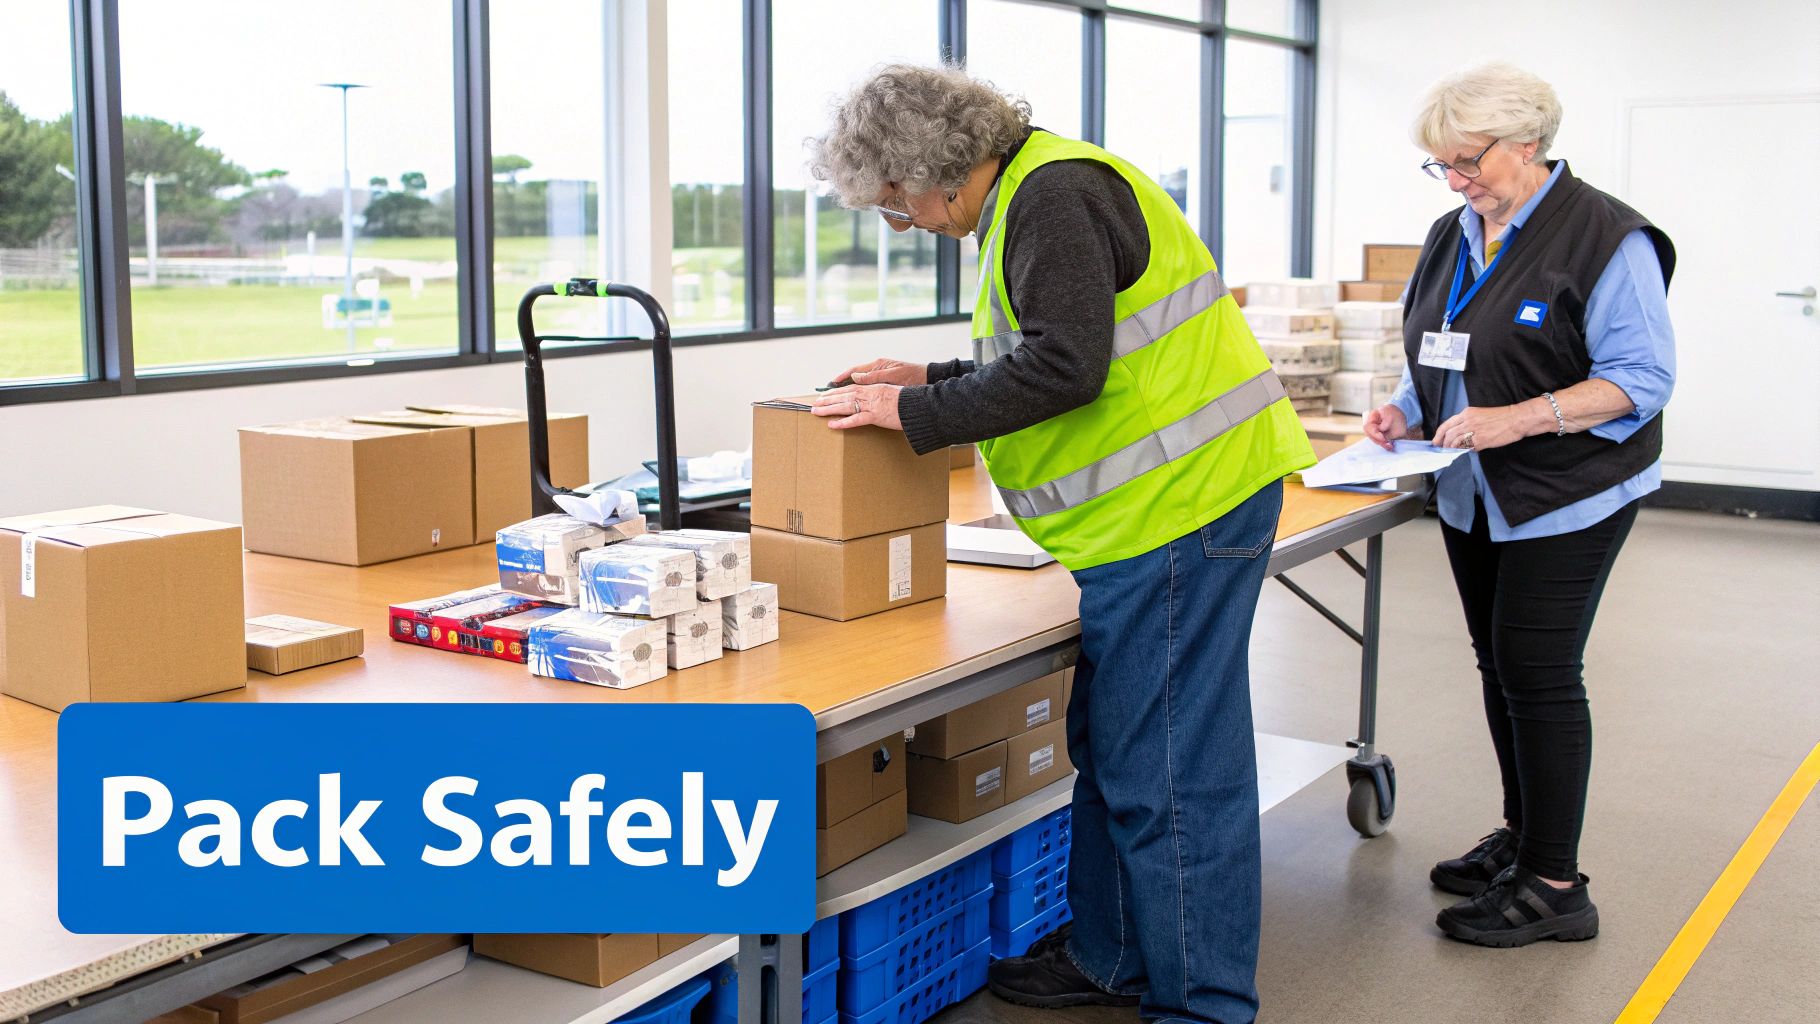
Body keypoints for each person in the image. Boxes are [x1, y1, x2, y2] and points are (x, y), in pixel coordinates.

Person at [804, 63, 1313, 1024]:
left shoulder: (1054, 197)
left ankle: (1205, 1004)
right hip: (1149, 518)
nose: (900, 222)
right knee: (1114, 747)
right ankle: (1111, 955)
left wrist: (912, 407)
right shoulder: (1036, 190)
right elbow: (1074, 341)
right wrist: (937, 373)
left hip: (1182, 510)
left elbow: (1066, 368)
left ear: (936, 168)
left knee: (1168, 768)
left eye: (897, 203)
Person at [1363, 62, 1675, 947]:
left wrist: (1522, 419)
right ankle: (1524, 836)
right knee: (1500, 666)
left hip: (1571, 491)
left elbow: (1642, 381)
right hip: (1476, 491)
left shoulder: (1608, 238)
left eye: (1468, 161)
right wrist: (1404, 407)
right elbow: (1437, 347)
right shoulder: (1452, 231)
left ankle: (1554, 885)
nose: (1456, 181)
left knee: (1539, 675)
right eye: (1442, 166)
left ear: (1528, 144)